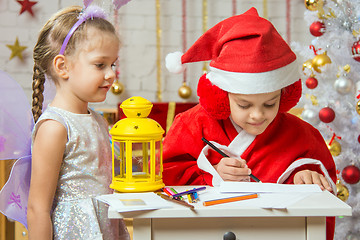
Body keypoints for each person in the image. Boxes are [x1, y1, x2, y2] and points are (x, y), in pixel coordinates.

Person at [163, 7, 336, 240]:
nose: (257, 116)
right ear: (221, 95)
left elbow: (321, 194)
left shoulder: (302, 135)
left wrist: (306, 175)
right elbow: (167, 173)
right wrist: (210, 172)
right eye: (244, 105)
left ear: (284, 95)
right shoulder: (191, 124)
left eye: (270, 104)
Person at [27, 5, 129, 240]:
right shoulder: (55, 127)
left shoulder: (99, 120)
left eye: (113, 64)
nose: (112, 73)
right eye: (100, 64)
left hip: (106, 229)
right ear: (63, 67)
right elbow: (37, 209)